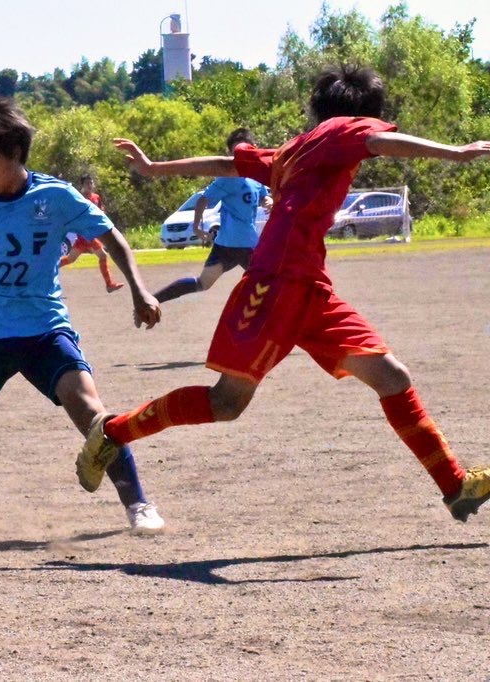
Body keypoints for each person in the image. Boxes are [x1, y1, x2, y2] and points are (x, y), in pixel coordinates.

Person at [76, 65, 490, 523]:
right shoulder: (343, 127)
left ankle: (454, 485)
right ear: (361, 112)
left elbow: (229, 164)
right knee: (225, 402)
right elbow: (378, 142)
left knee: (391, 377)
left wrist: (155, 168)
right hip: (275, 284)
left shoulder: (299, 147)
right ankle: (112, 431)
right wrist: (457, 152)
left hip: (309, 287)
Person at [0, 95, 165, 538]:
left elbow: (114, 239)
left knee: (90, 413)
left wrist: (140, 291)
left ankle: (138, 503)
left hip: (44, 330)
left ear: (13, 153)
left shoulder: (56, 196)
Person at [154, 129, 272, 303]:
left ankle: (152, 300)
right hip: (244, 242)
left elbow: (262, 195)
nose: (238, 157)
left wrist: (268, 201)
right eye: (235, 153)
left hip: (225, 244)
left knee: (203, 283)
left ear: (254, 149)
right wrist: (196, 227)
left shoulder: (254, 177)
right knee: (269, 282)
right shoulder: (229, 178)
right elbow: (203, 200)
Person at [59, 175, 126, 293]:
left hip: (88, 235)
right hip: (86, 234)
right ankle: (109, 284)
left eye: (91, 183)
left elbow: (101, 212)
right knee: (103, 256)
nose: (89, 186)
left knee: (70, 259)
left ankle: (46, 268)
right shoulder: (78, 198)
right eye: (87, 183)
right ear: (82, 185)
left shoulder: (96, 197)